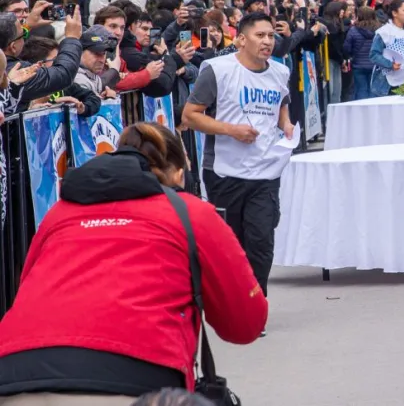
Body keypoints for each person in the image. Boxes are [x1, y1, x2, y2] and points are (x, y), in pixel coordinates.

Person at [0, 123, 267, 403]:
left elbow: (25, 287)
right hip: (136, 376)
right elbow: (245, 324)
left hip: (14, 369)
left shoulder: (59, 214)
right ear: (177, 175)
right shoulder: (190, 212)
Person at [183, 12, 294, 310]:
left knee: (261, 242)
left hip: (266, 171)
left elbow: (282, 101)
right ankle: (230, 303)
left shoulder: (280, 72)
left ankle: (254, 308)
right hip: (225, 171)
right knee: (231, 245)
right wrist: (231, 130)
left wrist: (285, 123)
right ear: (241, 39)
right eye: (260, 35)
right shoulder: (217, 71)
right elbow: (190, 116)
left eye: (271, 35)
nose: (268, 41)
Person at [2, 7, 85, 112]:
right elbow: (63, 75)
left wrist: (27, 25)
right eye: (24, 34)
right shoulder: (17, 71)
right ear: (13, 47)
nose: (26, 36)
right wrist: (72, 38)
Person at [344, 7, 379, 100]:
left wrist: (351, 55)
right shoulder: (379, 30)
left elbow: (347, 48)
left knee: (361, 90)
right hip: (375, 65)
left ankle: (361, 112)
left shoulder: (353, 30)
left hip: (358, 65)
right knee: (373, 90)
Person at [74, 25, 118, 99]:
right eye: (96, 53)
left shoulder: (92, 74)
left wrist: (104, 96)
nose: (101, 60)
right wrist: (110, 100)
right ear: (80, 53)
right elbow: (92, 109)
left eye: (103, 54)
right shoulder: (78, 79)